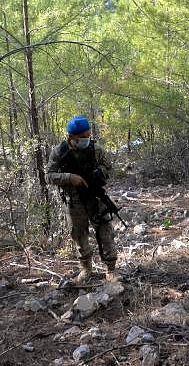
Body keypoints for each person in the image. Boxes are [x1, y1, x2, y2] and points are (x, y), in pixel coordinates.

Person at [46, 116, 118, 282]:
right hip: (74, 200)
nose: (87, 140)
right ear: (71, 138)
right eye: (83, 137)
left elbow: (109, 167)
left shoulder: (96, 150)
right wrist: (69, 177)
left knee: (105, 231)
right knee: (79, 235)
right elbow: (49, 176)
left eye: (88, 136)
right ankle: (86, 269)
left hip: (96, 197)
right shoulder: (59, 152)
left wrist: (99, 173)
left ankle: (111, 269)